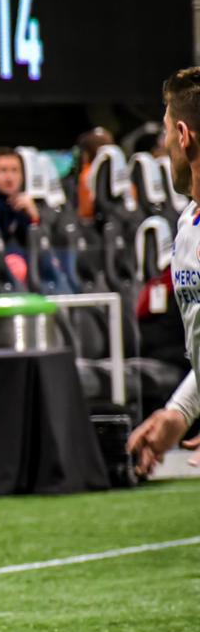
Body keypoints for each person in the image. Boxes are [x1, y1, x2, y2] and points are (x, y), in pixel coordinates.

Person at [129, 71, 200, 472]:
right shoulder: (188, 223)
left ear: (184, 134)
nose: (165, 147)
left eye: (166, 134)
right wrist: (179, 412)